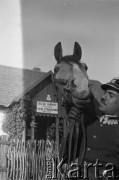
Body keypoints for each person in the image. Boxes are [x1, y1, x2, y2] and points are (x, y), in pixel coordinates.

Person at [60, 77, 119, 180]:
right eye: (105, 93)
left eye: (111, 95)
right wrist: (74, 126)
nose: (104, 97)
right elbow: (66, 155)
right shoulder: (89, 123)